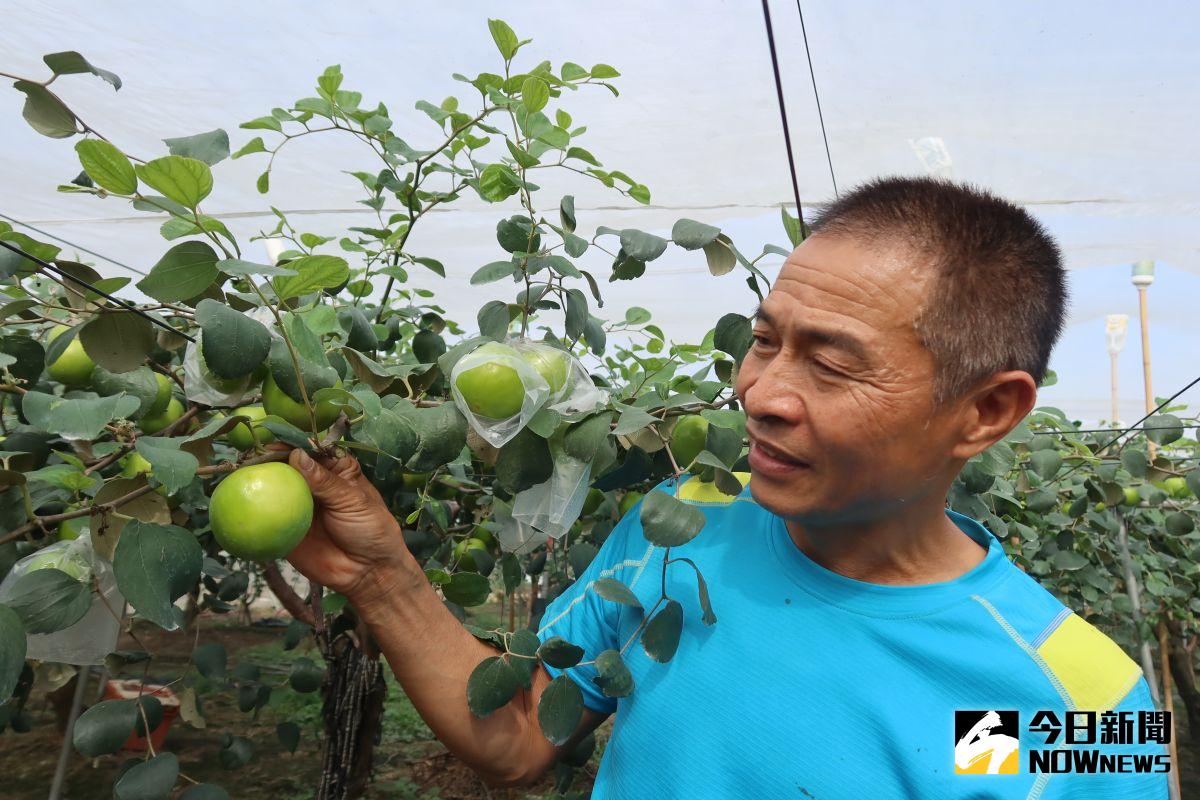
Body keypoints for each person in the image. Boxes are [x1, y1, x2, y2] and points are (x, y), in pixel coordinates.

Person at [283, 177, 1170, 798]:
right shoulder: (683, 525)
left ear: (985, 412)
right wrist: (382, 577)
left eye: (830, 364)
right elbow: (519, 737)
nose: (759, 394)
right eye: (764, 340)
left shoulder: (1086, 707)